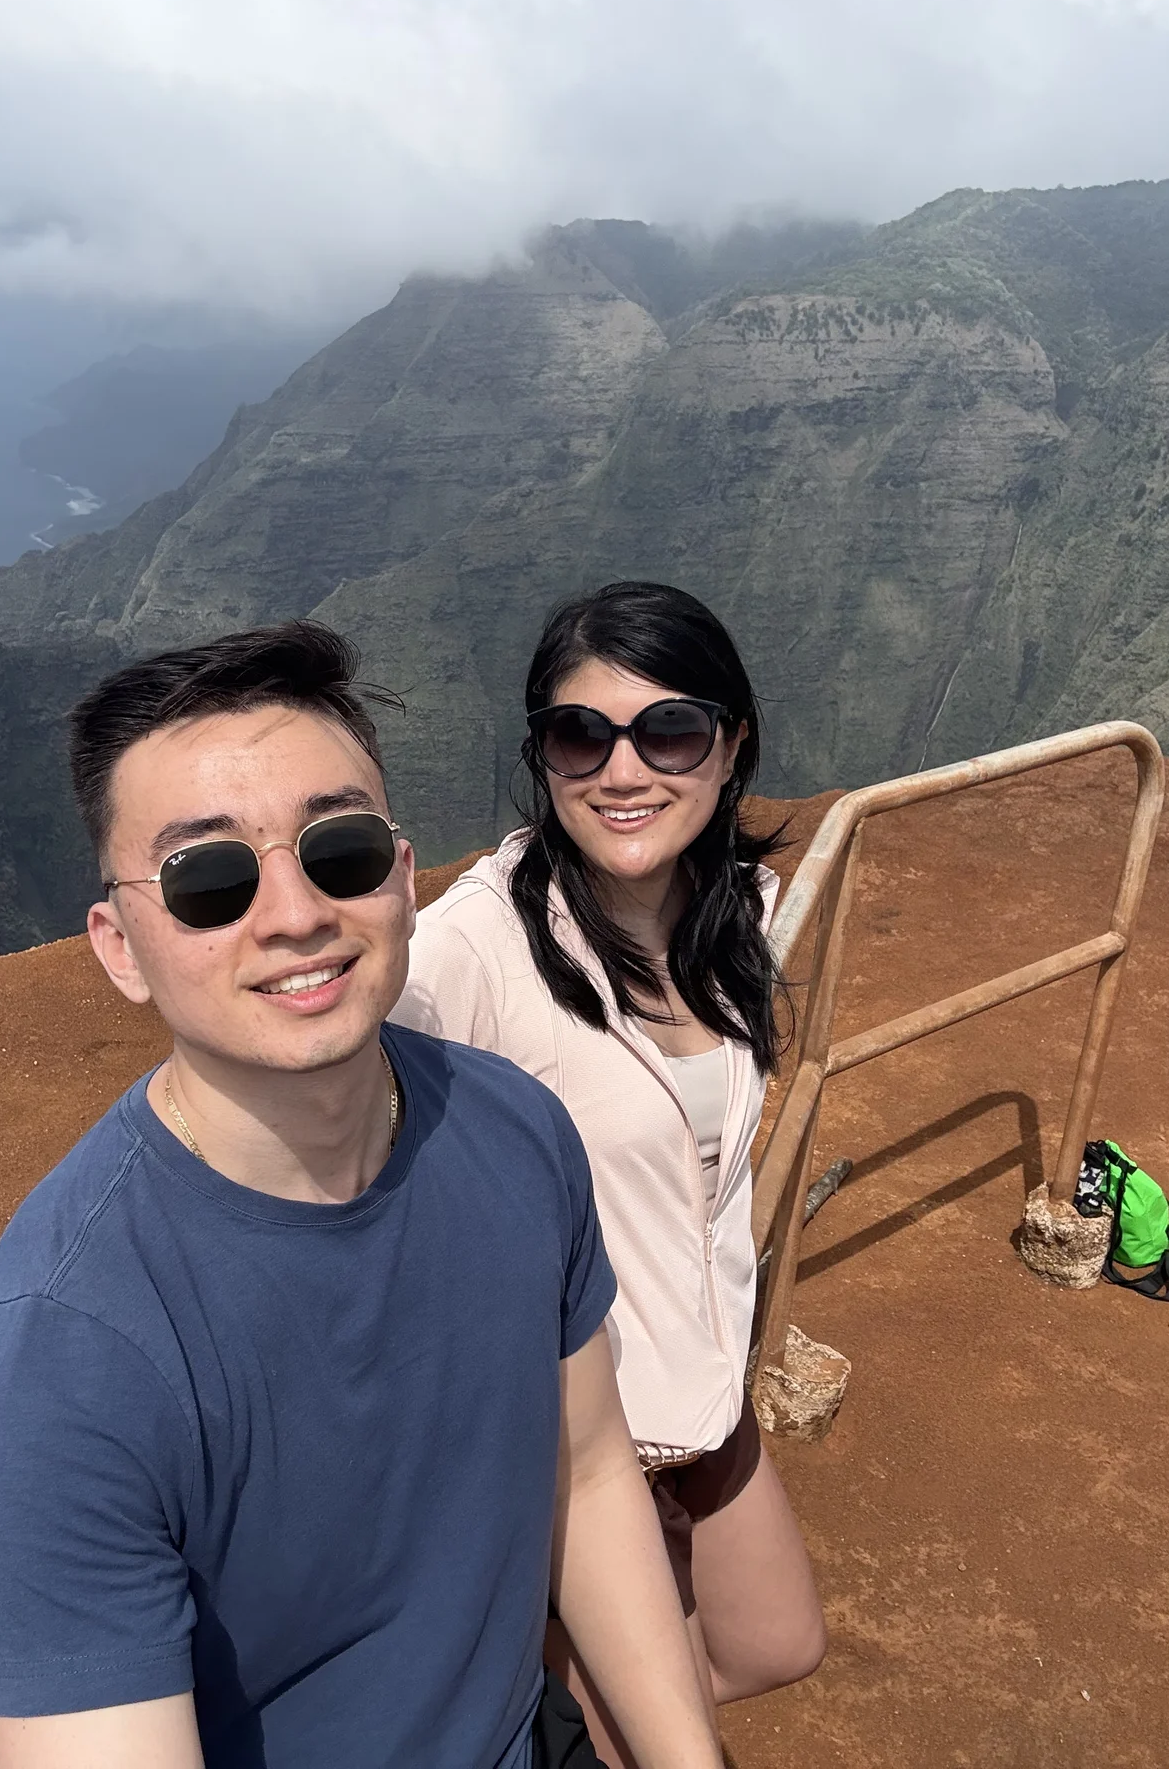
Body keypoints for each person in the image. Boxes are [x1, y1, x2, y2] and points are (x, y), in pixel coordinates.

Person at [0, 621, 721, 1769]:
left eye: (338, 849)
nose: (296, 913)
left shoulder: (517, 1132)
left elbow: (591, 1471)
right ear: (119, 946)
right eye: (209, 879)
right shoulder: (62, 1367)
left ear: (401, 880)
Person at [394, 582, 828, 1766]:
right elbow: (347, 1061)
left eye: (670, 731)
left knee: (775, 1643)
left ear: (731, 747)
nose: (622, 770)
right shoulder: (476, 948)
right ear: (542, 756)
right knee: (657, 1738)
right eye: (580, 734)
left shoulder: (734, 911)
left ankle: (537, 1698)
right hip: (566, 1437)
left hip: (699, 1395)